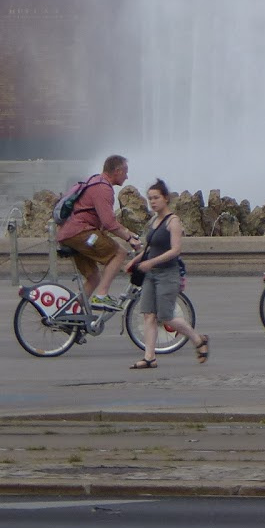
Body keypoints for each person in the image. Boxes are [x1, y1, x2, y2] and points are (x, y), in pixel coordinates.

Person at [129, 179, 208, 370]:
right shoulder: (153, 221)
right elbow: (151, 248)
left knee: (166, 317)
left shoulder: (173, 221)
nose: (152, 202)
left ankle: (198, 339)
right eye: (150, 198)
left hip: (168, 274)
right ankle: (149, 357)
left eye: (156, 198)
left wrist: (150, 262)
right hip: (151, 274)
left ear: (165, 198)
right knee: (148, 314)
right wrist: (136, 260)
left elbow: (175, 250)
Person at [56, 154, 138, 308]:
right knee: (119, 253)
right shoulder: (102, 188)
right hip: (81, 233)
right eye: (125, 172)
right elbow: (109, 223)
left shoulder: (94, 181)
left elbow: (108, 223)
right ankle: (101, 296)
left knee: (93, 278)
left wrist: (129, 233)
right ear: (118, 171)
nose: (127, 176)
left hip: (71, 234)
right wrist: (129, 238)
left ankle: (70, 313)